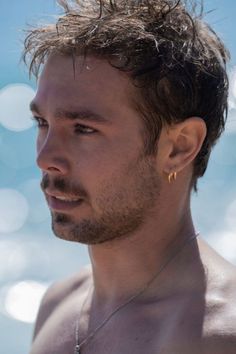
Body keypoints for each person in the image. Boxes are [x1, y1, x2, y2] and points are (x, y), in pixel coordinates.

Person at [24, 0, 236, 353]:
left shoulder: (220, 337)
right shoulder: (57, 306)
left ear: (178, 147)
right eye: (42, 123)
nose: (46, 158)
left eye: (83, 129)